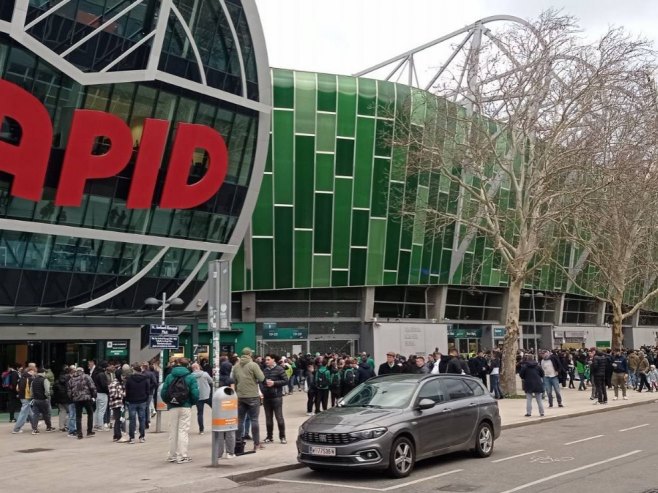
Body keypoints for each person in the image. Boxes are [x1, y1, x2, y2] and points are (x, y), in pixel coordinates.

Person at [161, 358, 199, 463]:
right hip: (185, 406)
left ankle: (172, 455)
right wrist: (191, 403)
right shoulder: (191, 377)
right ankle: (182, 455)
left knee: (173, 431)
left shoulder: (169, 376)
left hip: (172, 406)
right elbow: (195, 393)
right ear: (188, 365)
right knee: (183, 430)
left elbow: (163, 392)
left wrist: (169, 402)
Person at [232, 348, 265, 451]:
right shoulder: (253, 365)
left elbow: (234, 380)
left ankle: (238, 442)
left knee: (240, 420)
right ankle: (256, 443)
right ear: (250, 354)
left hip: (240, 396)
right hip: (252, 396)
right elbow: (261, 378)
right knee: (254, 419)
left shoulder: (236, 366)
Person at [261, 354, 288, 444]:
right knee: (268, 419)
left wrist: (274, 383)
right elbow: (261, 382)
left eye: (268, 359)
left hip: (277, 397)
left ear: (273, 360)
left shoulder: (279, 369)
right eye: (266, 360)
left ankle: (282, 437)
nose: (266, 361)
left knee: (279, 418)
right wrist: (263, 390)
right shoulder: (264, 370)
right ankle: (269, 437)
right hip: (266, 397)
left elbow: (285, 380)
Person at [67, 366, 97, 439]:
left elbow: (69, 391)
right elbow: (92, 387)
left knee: (78, 416)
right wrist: (94, 396)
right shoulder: (86, 377)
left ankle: (79, 433)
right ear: (82, 371)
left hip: (77, 399)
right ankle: (89, 431)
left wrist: (72, 398)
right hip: (86, 398)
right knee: (90, 413)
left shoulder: (71, 379)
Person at [124, 363, 151, 443]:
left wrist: (127, 399)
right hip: (142, 401)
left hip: (132, 401)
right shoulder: (145, 379)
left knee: (132, 420)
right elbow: (148, 390)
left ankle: (132, 438)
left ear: (134, 371)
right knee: (142, 419)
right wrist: (145, 398)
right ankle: (142, 437)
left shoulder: (129, 379)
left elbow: (127, 391)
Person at [12, 363, 36, 434]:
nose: (34, 373)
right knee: (24, 413)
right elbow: (32, 389)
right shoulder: (31, 378)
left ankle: (34, 425)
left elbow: (17, 388)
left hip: (22, 396)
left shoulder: (21, 377)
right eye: (34, 371)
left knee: (29, 411)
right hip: (27, 397)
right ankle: (16, 429)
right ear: (31, 371)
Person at [30, 368, 55, 434]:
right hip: (43, 399)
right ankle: (49, 427)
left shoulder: (33, 380)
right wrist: (48, 397)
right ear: (43, 373)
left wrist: (33, 397)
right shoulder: (45, 380)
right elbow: (47, 391)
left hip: (35, 399)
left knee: (35, 414)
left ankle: (34, 429)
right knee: (46, 414)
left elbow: (31, 391)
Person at [191, 362, 214, 434]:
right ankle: (218, 425)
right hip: (207, 395)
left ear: (192, 369)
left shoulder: (191, 376)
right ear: (199, 367)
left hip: (198, 397)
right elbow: (211, 381)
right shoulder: (205, 374)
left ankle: (201, 430)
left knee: (200, 413)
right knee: (216, 409)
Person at [108, 367, 126, 442]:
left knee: (118, 420)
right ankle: (118, 436)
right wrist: (121, 394)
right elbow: (112, 394)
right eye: (122, 375)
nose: (123, 377)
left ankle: (116, 435)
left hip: (119, 403)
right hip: (116, 403)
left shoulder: (119, 383)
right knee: (117, 420)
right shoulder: (114, 383)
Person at [92, 361, 110, 431]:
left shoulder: (95, 373)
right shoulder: (102, 374)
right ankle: (100, 425)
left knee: (97, 409)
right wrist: (108, 391)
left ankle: (96, 424)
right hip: (102, 393)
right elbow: (104, 385)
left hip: (97, 393)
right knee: (102, 410)